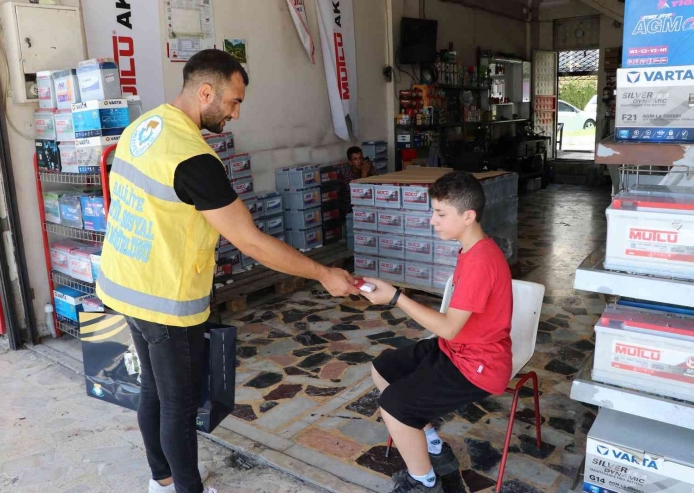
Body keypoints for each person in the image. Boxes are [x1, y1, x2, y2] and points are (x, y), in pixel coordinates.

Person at [96, 49, 359, 493]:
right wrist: (323, 273)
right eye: (233, 102)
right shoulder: (194, 159)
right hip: (165, 300)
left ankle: (161, 481)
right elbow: (251, 241)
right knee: (177, 406)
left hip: (125, 283)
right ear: (205, 92)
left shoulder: (145, 126)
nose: (236, 113)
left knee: (153, 394)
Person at [359, 171, 513, 493]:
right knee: (382, 368)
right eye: (434, 212)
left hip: (477, 365)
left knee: (394, 405)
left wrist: (396, 297)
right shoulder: (470, 250)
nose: (433, 220)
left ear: (468, 216)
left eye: (441, 213)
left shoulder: (481, 261)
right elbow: (451, 329)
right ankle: (432, 443)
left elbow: (448, 326)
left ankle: (425, 482)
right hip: (454, 349)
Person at [340, 146, 375, 213]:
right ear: (350, 162)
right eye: (355, 159)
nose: (359, 161)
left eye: (360, 158)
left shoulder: (363, 169)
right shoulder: (347, 175)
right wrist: (364, 174)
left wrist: (370, 170)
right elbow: (359, 193)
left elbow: (374, 186)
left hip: (364, 204)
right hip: (350, 208)